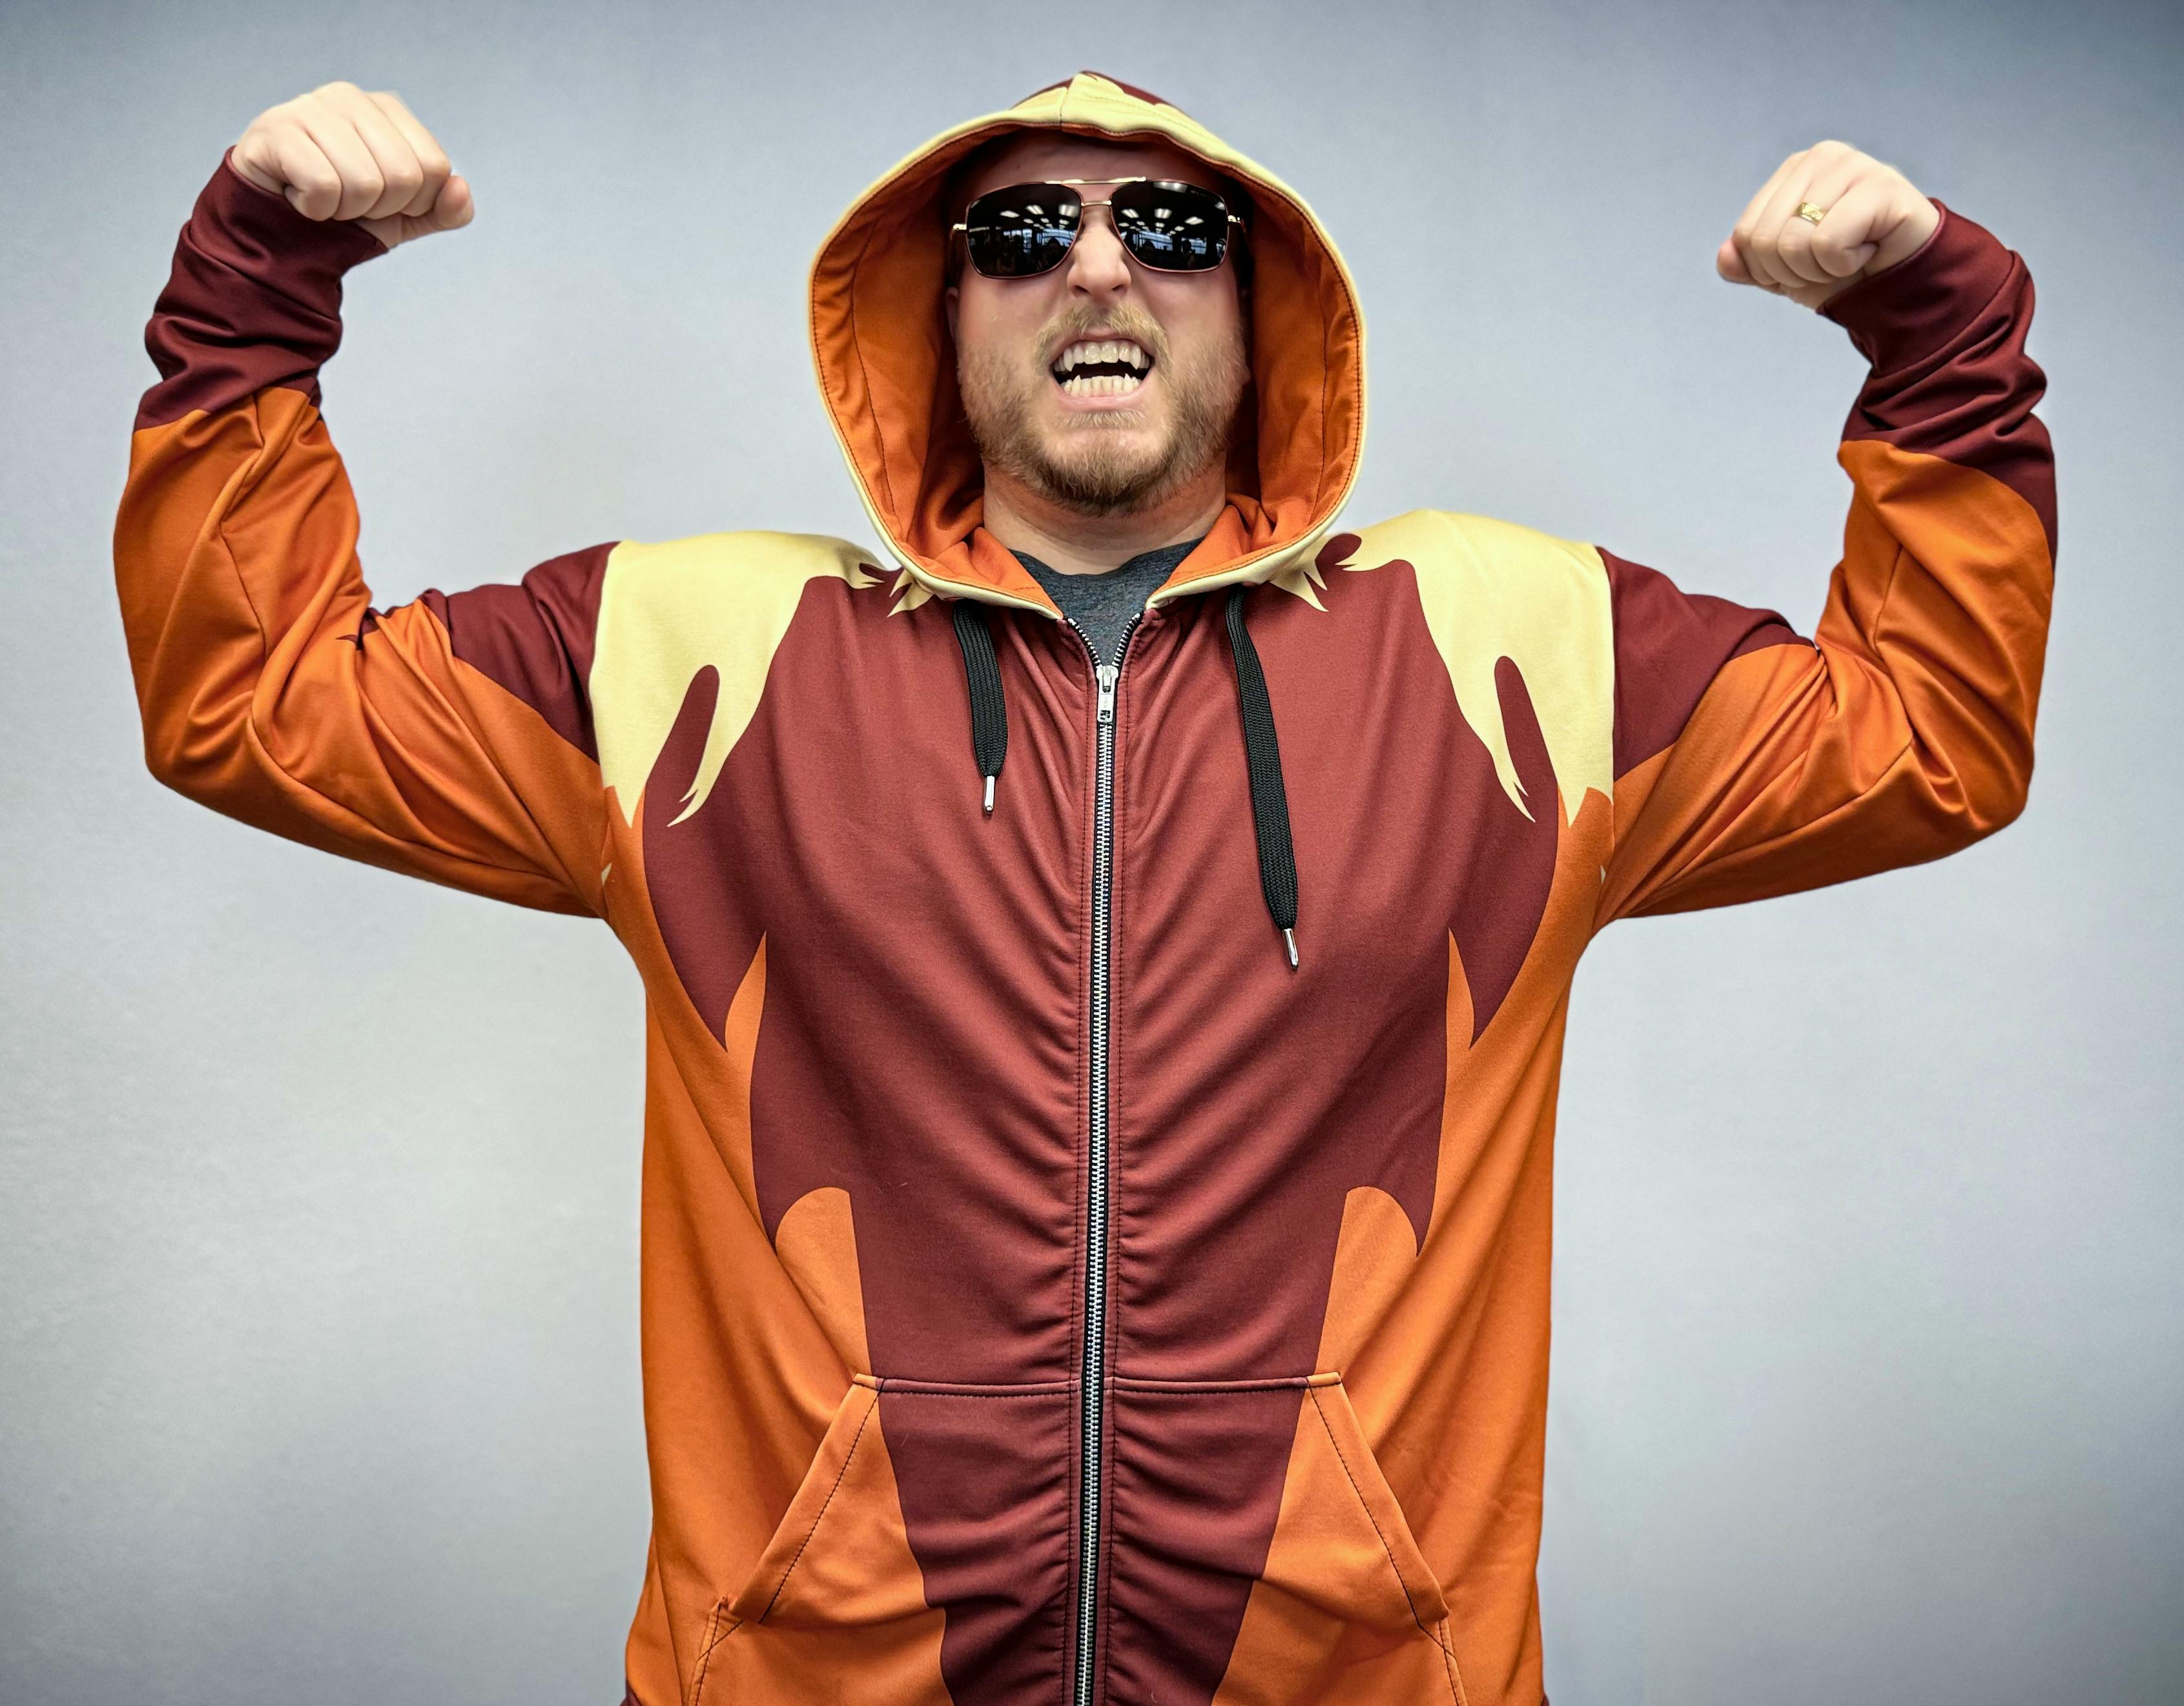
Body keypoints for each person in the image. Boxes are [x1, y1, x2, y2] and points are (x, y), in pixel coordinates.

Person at [113, 69, 2054, 1706]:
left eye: (1175, 231)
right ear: (940, 317)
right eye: (1025, 232)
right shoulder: (689, 653)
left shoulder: (1508, 648)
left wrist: (1938, 336)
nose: (1102, 267)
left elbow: (1928, 739)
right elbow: (255, 703)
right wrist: (262, 282)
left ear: (1258, 311)